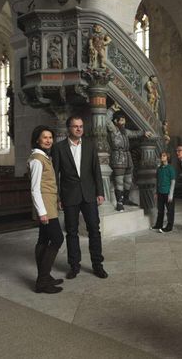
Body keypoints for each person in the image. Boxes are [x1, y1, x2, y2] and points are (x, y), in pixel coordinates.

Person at [52, 116, 107, 280]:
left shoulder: (90, 145)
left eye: (81, 126)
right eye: (75, 126)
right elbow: (55, 174)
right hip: (69, 195)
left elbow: (96, 170)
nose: (78, 129)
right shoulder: (59, 148)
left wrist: (100, 192)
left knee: (94, 231)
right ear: (69, 128)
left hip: (89, 194)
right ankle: (74, 266)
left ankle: (98, 265)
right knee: (72, 232)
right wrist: (58, 197)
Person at [28, 125, 65, 294]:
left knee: (43, 239)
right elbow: (35, 188)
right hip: (44, 206)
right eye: (45, 137)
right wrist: (42, 212)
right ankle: (42, 281)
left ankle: (44, 276)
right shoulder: (37, 159)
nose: (48, 140)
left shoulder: (44, 157)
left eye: (50, 137)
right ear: (38, 139)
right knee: (57, 238)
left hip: (48, 203)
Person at [106, 103, 152, 212]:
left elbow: (135, 134)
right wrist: (112, 110)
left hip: (127, 158)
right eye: (121, 120)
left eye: (124, 120)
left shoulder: (125, 132)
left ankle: (125, 199)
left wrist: (144, 133)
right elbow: (106, 120)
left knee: (128, 181)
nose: (123, 122)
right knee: (119, 182)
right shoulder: (113, 130)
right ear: (116, 122)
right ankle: (119, 203)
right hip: (117, 158)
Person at [152, 151, 176, 233]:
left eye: (164, 156)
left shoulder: (170, 168)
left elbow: (173, 181)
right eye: (161, 156)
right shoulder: (159, 169)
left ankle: (169, 227)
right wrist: (156, 192)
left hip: (168, 193)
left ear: (167, 157)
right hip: (160, 192)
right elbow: (157, 181)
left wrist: (171, 194)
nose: (162, 157)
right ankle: (158, 225)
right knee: (160, 210)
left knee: (170, 211)